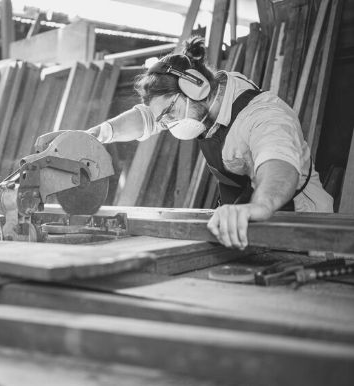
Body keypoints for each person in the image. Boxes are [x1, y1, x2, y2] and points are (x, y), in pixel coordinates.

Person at [36, 37, 333, 250]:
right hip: (244, 225)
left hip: (301, 227)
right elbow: (146, 119)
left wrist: (259, 206)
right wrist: (99, 133)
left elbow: (279, 168)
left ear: (196, 88)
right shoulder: (210, 97)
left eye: (170, 115)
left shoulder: (264, 116)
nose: (165, 126)